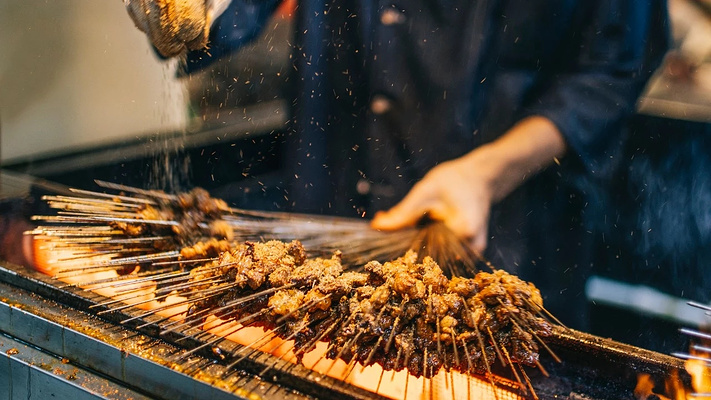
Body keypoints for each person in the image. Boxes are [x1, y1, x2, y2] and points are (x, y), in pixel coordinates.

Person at [126, 0, 670, 331]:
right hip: (330, 213)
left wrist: (488, 172)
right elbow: (225, 10)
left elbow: (613, 66)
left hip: (506, 232)